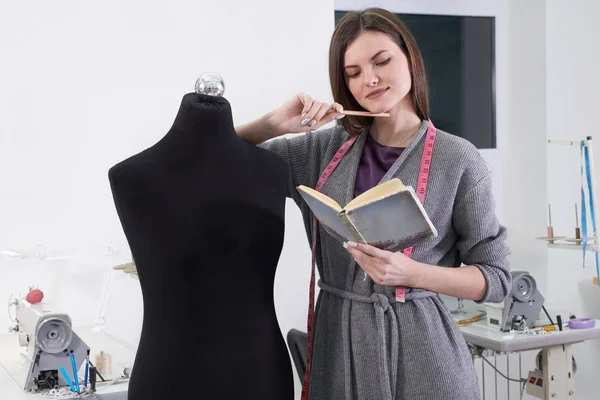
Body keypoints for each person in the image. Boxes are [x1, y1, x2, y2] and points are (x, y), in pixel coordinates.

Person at [236, 7, 510, 400]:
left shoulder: (458, 159)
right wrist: (273, 124)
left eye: (382, 61)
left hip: (426, 360)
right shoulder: (321, 149)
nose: (371, 79)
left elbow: (497, 279)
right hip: (339, 349)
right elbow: (216, 157)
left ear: (410, 59)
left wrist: (412, 273)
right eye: (353, 73)